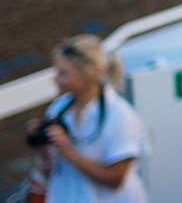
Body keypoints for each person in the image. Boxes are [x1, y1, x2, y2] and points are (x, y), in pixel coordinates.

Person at [29, 36, 147, 203]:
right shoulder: (58, 109)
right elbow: (51, 175)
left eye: (63, 74)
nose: (55, 80)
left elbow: (115, 180)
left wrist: (69, 153)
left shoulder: (120, 115)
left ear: (87, 75)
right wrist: (42, 149)